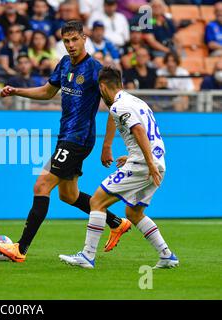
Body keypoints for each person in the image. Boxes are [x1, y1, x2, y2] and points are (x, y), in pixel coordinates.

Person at [0, 21, 131, 263]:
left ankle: (20, 249)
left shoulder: (95, 70)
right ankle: (117, 223)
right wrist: (17, 91)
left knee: (41, 186)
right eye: (66, 41)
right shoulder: (65, 64)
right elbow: (47, 92)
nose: (70, 45)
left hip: (78, 139)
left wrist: (107, 145)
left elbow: (114, 107)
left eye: (74, 39)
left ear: (84, 38)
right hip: (66, 136)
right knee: (68, 195)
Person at [58, 66, 179, 269]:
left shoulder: (119, 106)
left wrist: (147, 162)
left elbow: (139, 131)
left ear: (103, 86)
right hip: (156, 162)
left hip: (145, 165)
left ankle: (87, 256)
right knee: (133, 213)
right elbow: (148, 134)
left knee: (97, 201)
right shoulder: (136, 101)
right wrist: (137, 156)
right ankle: (167, 255)